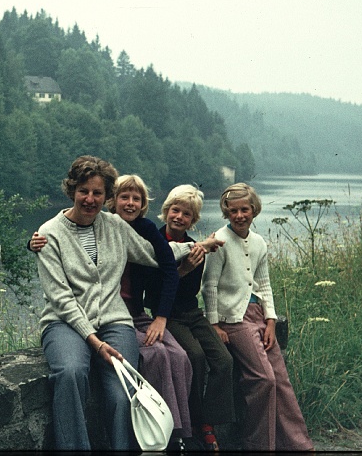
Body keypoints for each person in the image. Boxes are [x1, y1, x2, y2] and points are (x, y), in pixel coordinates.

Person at [33, 156, 194, 451]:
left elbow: (154, 254)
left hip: (114, 320)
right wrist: (94, 342)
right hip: (63, 323)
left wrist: (194, 247)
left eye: (98, 193)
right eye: (84, 191)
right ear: (72, 190)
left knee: (122, 395)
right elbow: (62, 300)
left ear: (107, 196)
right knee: (70, 373)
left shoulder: (116, 226)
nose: (90, 199)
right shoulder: (48, 234)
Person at [202, 183, 314, 452]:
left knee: (281, 381)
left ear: (254, 210)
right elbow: (210, 286)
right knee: (264, 380)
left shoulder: (259, 242)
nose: (240, 215)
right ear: (226, 212)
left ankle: (297, 444)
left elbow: (264, 284)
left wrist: (271, 321)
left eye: (245, 210)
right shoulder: (219, 240)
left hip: (259, 317)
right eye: (233, 211)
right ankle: (257, 443)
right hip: (234, 319)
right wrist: (215, 323)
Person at [138, 183, 236, 451]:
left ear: (193, 220)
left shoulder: (195, 248)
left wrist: (190, 269)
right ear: (166, 211)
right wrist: (180, 271)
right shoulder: (153, 243)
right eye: (175, 211)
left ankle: (209, 420)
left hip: (192, 313)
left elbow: (190, 293)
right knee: (195, 356)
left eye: (187, 215)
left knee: (223, 360)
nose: (179, 217)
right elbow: (152, 292)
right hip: (167, 315)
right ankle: (194, 423)